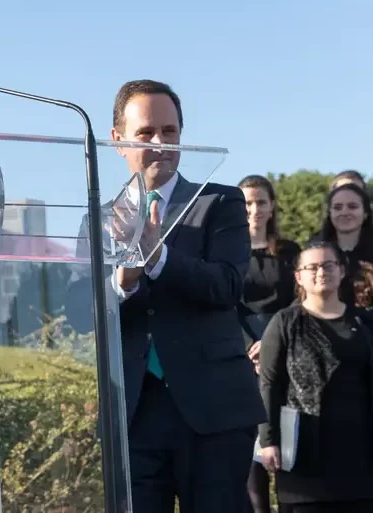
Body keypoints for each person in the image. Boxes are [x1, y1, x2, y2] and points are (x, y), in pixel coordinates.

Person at [66, 79, 266, 513]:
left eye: (170, 132)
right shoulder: (98, 219)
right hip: (135, 412)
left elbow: (228, 286)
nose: (161, 143)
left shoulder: (219, 202)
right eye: (146, 133)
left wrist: (159, 258)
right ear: (117, 140)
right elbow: (80, 314)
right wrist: (124, 281)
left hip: (214, 410)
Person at [257, 241, 373, 512]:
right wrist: (268, 441)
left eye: (328, 265)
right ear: (298, 276)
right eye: (312, 267)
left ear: (342, 271)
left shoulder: (364, 323)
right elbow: (269, 385)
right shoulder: (284, 323)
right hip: (305, 460)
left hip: (360, 458)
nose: (321, 272)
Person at [236, 175, 301, 513]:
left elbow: (299, 300)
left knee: (288, 458)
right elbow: (225, 304)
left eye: (261, 201)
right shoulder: (227, 249)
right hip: (242, 359)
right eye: (247, 202)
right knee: (253, 470)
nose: (255, 209)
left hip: (286, 357)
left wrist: (272, 342)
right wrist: (251, 346)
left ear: (272, 205)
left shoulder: (290, 252)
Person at [313, 183, 373, 307]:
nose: (344, 212)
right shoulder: (315, 255)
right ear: (329, 214)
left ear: (365, 213)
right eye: (337, 207)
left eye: (352, 206)